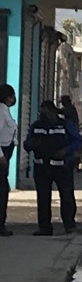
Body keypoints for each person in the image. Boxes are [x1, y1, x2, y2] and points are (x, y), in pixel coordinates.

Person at [23, 101, 82, 236]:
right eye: (42, 112)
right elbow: (26, 144)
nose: (44, 115)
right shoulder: (36, 126)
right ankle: (44, 227)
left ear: (53, 111)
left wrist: (65, 151)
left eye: (47, 112)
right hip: (41, 167)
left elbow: (78, 142)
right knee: (43, 198)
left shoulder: (65, 125)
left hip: (62, 167)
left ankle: (69, 225)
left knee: (66, 196)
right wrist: (32, 144)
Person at [0, 85, 17, 237]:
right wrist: (0, 156)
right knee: (2, 190)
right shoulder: (1, 111)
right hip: (1, 156)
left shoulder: (5, 111)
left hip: (6, 154)